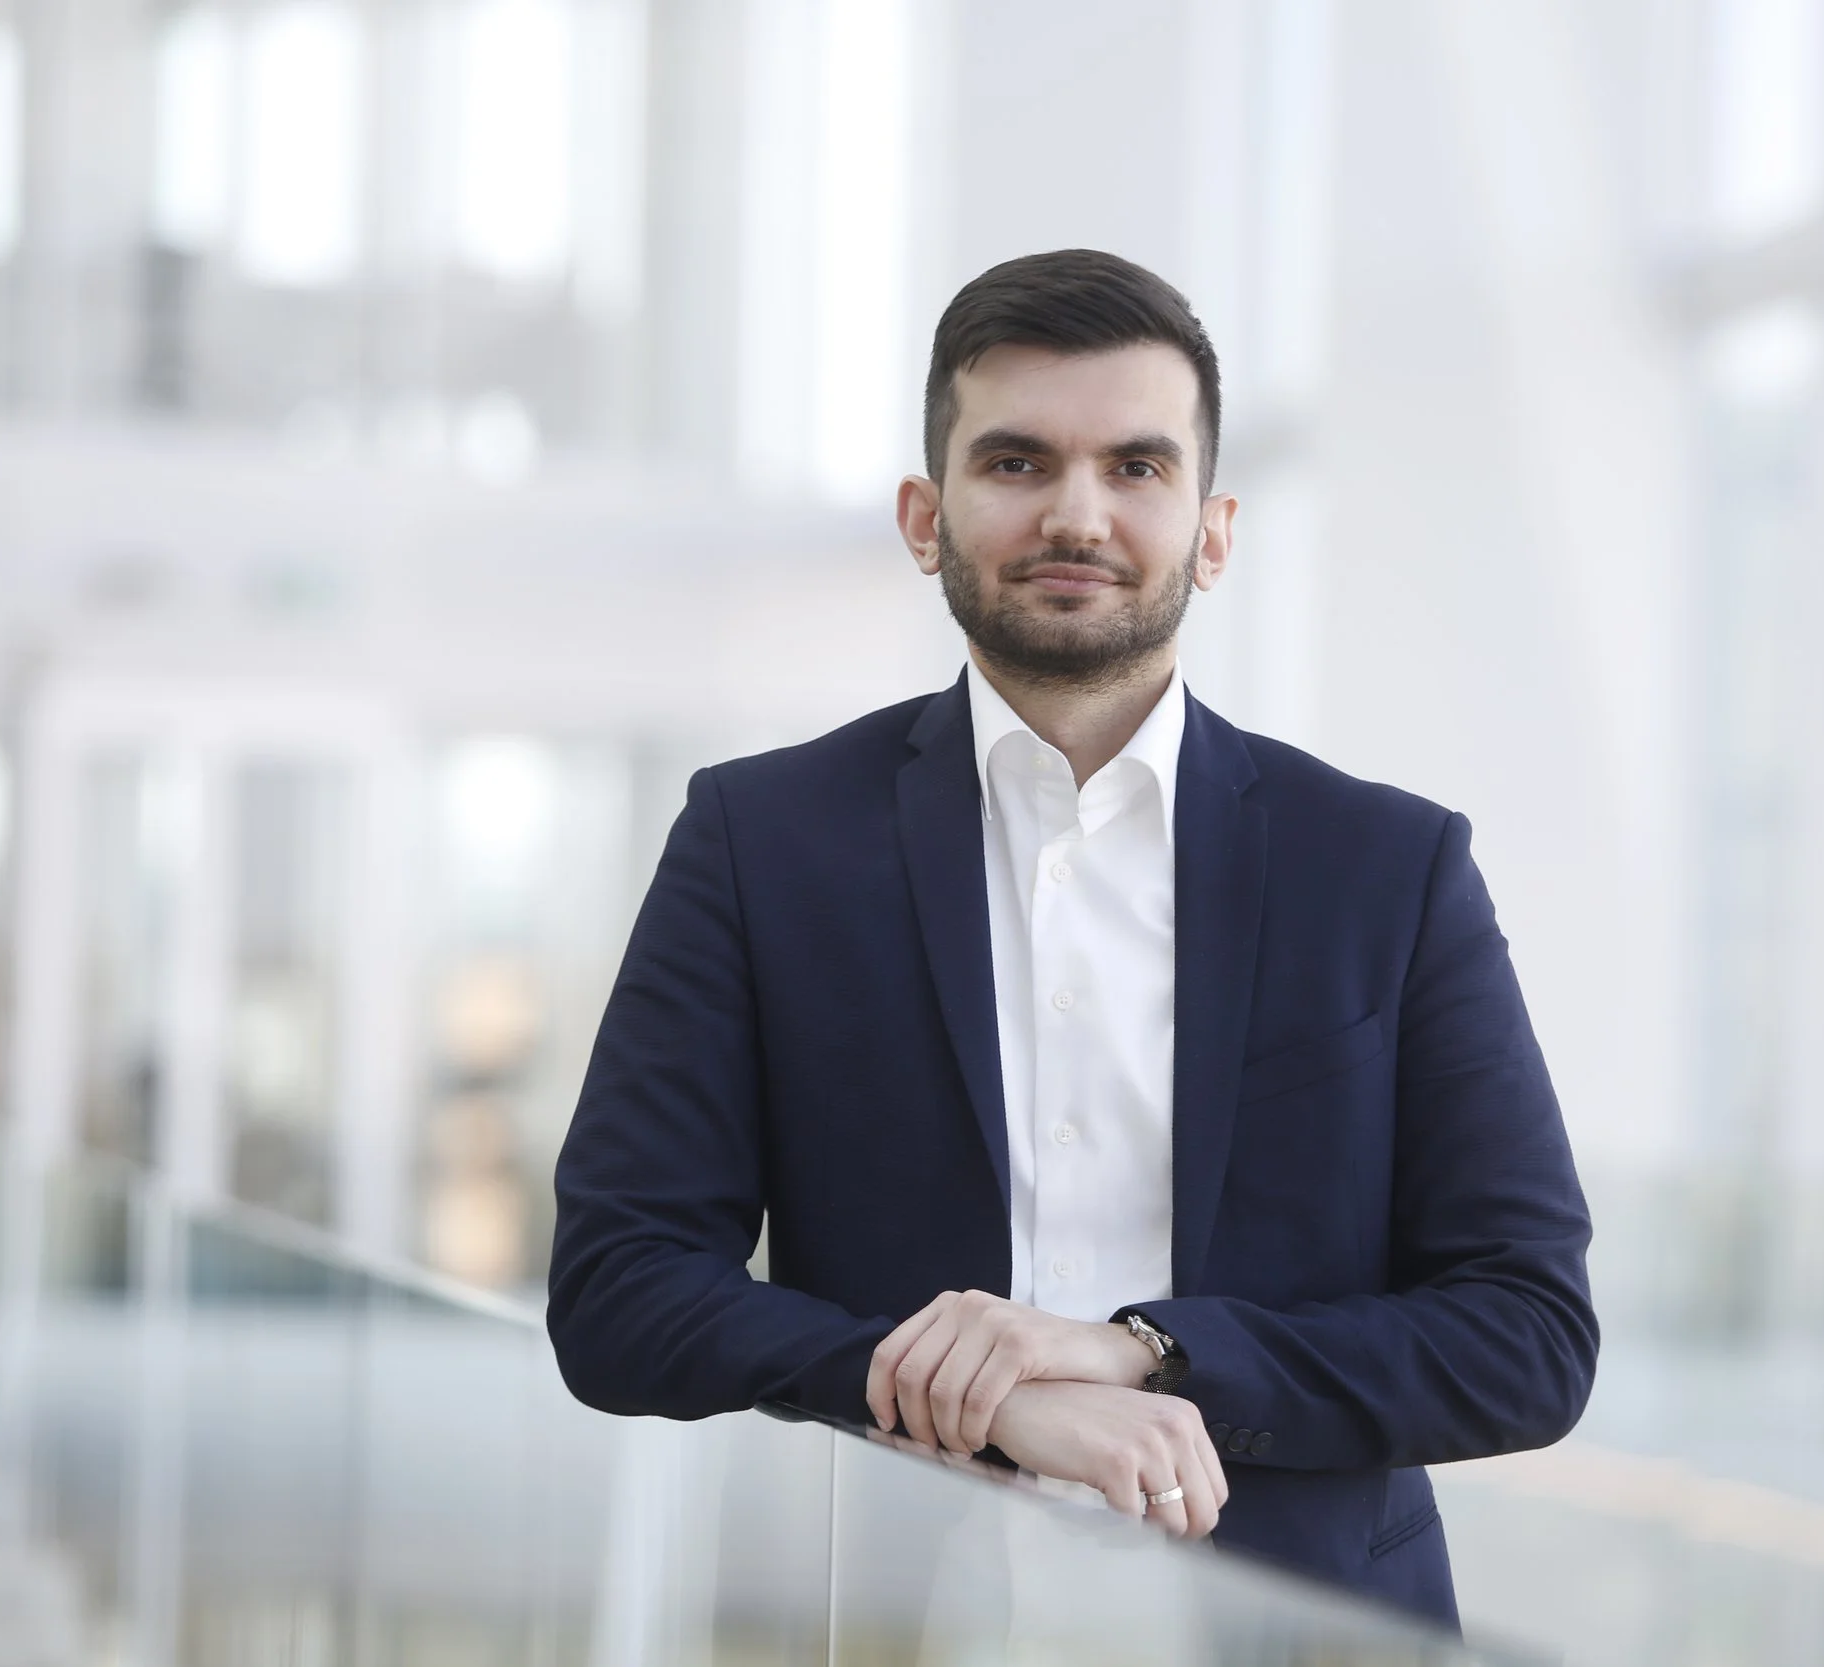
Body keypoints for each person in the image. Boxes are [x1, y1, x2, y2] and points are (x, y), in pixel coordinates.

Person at [547, 248, 1597, 1630]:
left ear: (1214, 530)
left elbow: (1528, 1331)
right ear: (927, 515)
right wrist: (993, 1400)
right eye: (1019, 462)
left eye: (1138, 468)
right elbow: (619, 1290)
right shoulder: (761, 841)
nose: (1077, 513)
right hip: (894, 1619)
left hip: (1303, 1632)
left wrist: (1142, 1359)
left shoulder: (1389, 869)